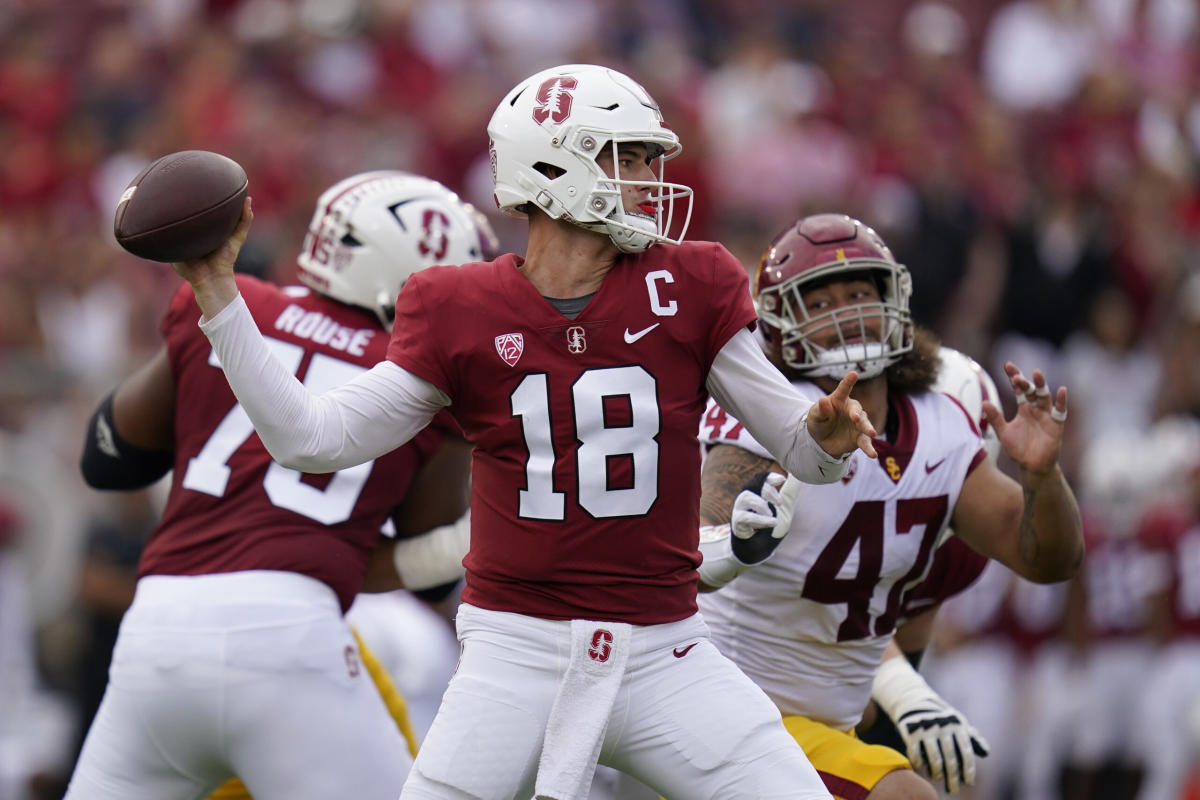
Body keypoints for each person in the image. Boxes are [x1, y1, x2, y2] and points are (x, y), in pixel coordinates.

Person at [167, 63, 879, 800]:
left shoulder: (692, 282)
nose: (646, 179)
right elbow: (311, 440)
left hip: (666, 648)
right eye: (625, 157)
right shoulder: (457, 304)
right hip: (515, 651)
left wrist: (823, 439)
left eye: (647, 159)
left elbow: (801, 449)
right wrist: (217, 292)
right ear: (550, 162)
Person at [65, 170, 496, 800]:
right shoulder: (420, 381)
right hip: (291, 643)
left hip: (156, 630)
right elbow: (429, 577)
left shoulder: (231, 306)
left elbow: (108, 457)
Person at [696, 213, 1084, 800]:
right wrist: (745, 512)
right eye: (820, 300)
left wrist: (1043, 479)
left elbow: (1049, 559)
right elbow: (712, 523)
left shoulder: (939, 424)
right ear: (780, 322)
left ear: (894, 300)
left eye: (859, 292)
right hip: (726, 712)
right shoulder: (771, 411)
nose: (846, 310)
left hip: (827, 727)